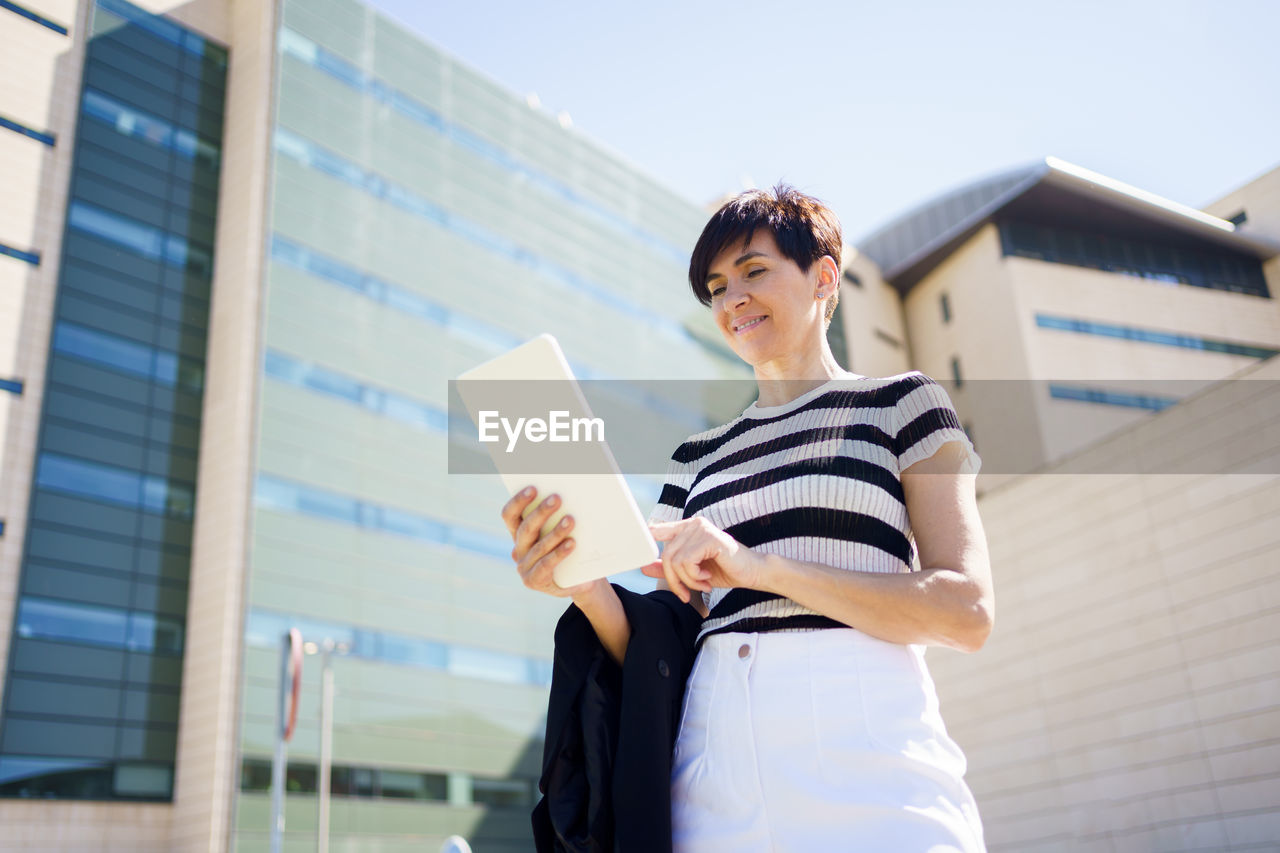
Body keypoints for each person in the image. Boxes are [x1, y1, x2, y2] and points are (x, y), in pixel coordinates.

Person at [504, 184, 993, 852]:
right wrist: (584, 586)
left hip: (869, 750)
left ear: (825, 275)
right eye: (715, 286)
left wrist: (757, 565)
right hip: (716, 762)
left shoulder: (901, 404)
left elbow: (965, 610)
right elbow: (666, 644)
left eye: (753, 271)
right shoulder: (696, 456)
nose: (731, 299)